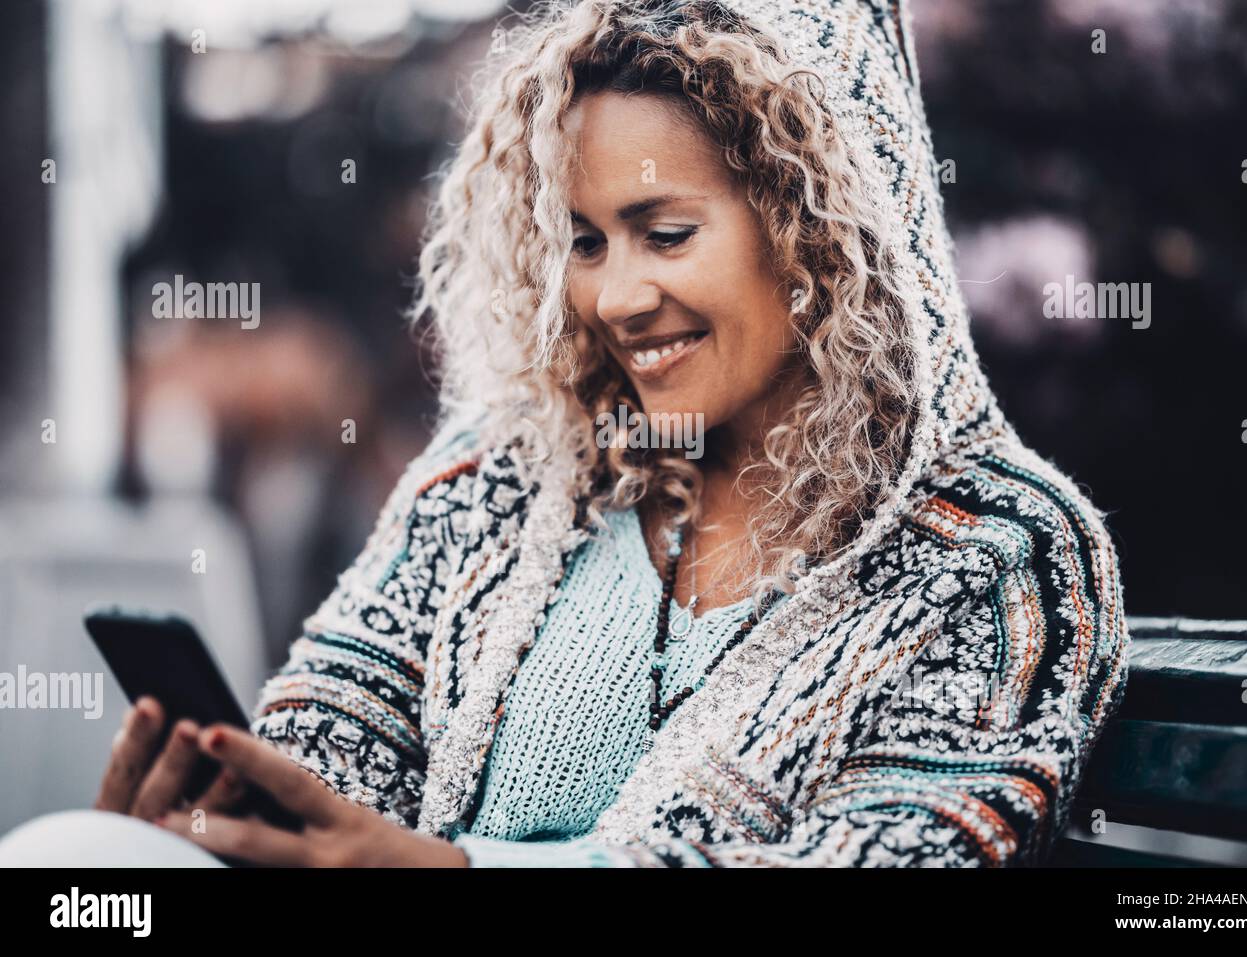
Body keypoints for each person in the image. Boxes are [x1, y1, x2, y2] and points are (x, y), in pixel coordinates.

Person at [1, 0, 1129, 867]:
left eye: (664, 232)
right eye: (584, 241)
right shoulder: (502, 479)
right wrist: (229, 819)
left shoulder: (995, 555)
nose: (615, 297)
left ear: (821, 233)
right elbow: (331, 745)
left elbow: (890, 853)